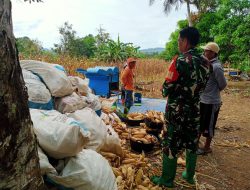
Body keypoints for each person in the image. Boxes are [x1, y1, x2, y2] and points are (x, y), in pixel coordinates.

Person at [151, 27, 210, 187]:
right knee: (192, 143)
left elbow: (166, 89)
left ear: (185, 41)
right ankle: (189, 175)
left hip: (177, 112)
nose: (178, 43)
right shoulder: (206, 62)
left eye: (179, 40)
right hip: (195, 111)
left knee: (171, 144)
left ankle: (167, 180)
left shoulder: (179, 61)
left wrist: (168, 89)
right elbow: (202, 87)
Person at [197, 42, 227, 155]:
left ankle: (207, 147)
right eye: (204, 50)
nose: (204, 52)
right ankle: (195, 144)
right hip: (203, 99)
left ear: (212, 53)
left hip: (211, 101)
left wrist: (213, 91)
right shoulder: (206, 64)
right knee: (200, 123)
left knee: (209, 125)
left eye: (206, 51)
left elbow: (223, 84)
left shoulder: (216, 67)